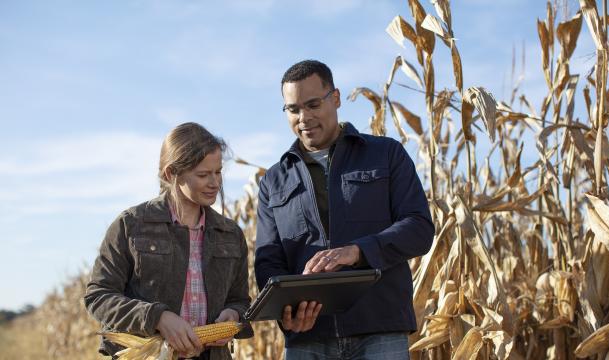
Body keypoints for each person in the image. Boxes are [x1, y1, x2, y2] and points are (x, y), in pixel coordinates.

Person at [254, 59, 435, 359]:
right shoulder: (273, 181)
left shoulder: (386, 154)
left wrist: (357, 251)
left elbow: (419, 228)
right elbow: (268, 262)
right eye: (293, 109)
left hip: (379, 329)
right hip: (307, 338)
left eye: (313, 104)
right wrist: (288, 312)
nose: (304, 117)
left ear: (335, 98)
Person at [85, 122, 252, 360]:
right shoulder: (130, 225)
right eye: (203, 175)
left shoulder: (231, 234)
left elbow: (240, 300)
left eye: (218, 172)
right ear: (170, 173)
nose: (215, 183)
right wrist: (157, 317)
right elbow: (98, 297)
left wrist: (233, 315)